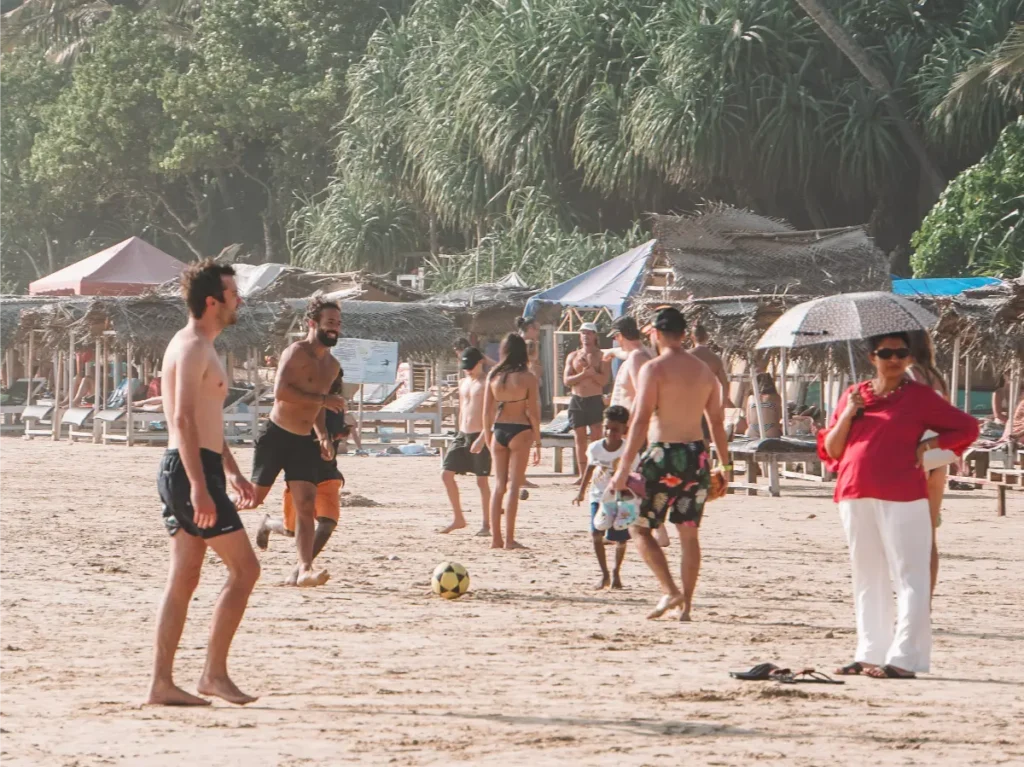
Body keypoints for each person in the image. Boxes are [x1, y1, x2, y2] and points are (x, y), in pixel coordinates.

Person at [821, 332, 978, 680]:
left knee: (911, 576)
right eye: (886, 353)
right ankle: (869, 652)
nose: (894, 359)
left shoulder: (920, 396)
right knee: (867, 576)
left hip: (904, 493)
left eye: (901, 353)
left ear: (909, 357)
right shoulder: (853, 395)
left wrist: (933, 444)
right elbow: (832, 449)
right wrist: (848, 413)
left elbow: (968, 427)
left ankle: (905, 657)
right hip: (854, 492)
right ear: (872, 356)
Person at [149, 260, 260, 707]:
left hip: (197, 467)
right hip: (189, 469)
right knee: (246, 569)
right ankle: (213, 674)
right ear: (212, 301)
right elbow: (182, 419)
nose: (239, 300)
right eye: (233, 293)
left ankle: (162, 683)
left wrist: (230, 471)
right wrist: (200, 485)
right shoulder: (192, 345)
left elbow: (207, 421)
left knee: (185, 576)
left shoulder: (201, 345)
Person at [611, 307, 730, 622]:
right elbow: (716, 422)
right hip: (696, 455)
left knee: (638, 527)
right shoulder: (704, 371)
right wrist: (726, 467)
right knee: (688, 533)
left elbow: (638, 421)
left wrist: (623, 469)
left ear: (656, 333)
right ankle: (686, 607)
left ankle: (669, 589)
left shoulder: (654, 369)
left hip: (664, 454)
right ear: (684, 334)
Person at [243, 297, 344, 588]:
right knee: (253, 499)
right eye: (329, 323)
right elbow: (281, 392)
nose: (335, 329)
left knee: (306, 503)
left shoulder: (333, 365)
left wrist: (323, 436)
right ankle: (211, 514)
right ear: (313, 324)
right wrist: (324, 399)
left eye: (337, 323)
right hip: (276, 435)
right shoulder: (296, 352)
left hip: (304, 441)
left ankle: (304, 569)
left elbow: (318, 410)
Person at [255, 369, 347, 568]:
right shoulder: (303, 406)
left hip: (328, 474)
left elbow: (336, 434)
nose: (337, 382)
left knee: (327, 523)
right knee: (293, 530)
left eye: (338, 378)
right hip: (302, 473)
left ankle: (302, 568)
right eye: (332, 378)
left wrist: (336, 436)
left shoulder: (338, 407)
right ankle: (269, 523)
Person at [603, 315, 670, 548]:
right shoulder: (641, 354)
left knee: (634, 481)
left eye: (616, 338)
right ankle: (623, 527)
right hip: (631, 427)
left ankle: (653, 530)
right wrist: (611, 353)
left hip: (634, 428)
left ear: (620, 336)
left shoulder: (637, 359)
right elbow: (629, 354)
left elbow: (643, 394)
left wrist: (632, 427)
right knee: (634, 481)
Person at [478, 333, 541, 550]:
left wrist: (487, 436)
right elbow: (533, 412)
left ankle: (495, 538)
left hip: (499, 431)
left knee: (498, 486)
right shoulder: (527, 377)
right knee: (514, 486)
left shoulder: (494, 376)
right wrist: (539, 440)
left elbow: (486, 412)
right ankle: (509, 539)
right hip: (520, 429)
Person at [906, 331, 952, 602]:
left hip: (917, 451)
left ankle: (913, 597)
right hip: (940, 451)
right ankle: (927, 600)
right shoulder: (938, 377)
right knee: (930, 533)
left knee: (910, 530)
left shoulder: (910, 375)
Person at [573, 405, 636, 590]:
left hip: (622, 498)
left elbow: (636, 474)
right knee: (596, 534)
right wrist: (581, 491)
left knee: (621, 538)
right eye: (607, 428)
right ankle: (605, 574)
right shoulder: (595, 448)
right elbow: (590, 468)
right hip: (599, 496)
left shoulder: (629, 451)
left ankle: (616, 572)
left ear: (625, 429)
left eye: (615, 429)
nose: (610, 432)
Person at [440, 347, 492, 536]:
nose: (468, 370)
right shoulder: (463, 382)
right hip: (462, 433)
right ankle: (458, 518)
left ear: (480, 363)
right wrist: (457, 431)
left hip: (480, 433)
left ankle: (487, 524)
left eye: (471, 366)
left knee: (481, 481)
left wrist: (483, 437)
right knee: (446, 474)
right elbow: (462, 409)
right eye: (465, 367)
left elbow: (492, 413)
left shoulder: (487, 383)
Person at [563, 322, 609, 484]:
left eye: (589, 333)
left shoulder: (602, 356)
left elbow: (604, 380)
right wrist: (583, 374)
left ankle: (597, 472)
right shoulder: (573, 356)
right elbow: (567, 380)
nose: (585, 336)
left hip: (594, 399)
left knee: (597, 437)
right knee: (579, 438)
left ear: (595, 335)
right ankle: (582, 475)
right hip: (577, 399)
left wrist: (591, 373)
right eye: (583, 333)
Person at [517, 316, 543, 490]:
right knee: (528, 432)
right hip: (528, 387)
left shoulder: (514, 341)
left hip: (518, 389)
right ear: (530, 328)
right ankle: (521, 475)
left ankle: (518, 474)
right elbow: (532, 361)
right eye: (537, 329)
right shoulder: (528, 344)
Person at [690, 325, 732, 407]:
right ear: (707, 337)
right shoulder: (715, 359)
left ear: (692, 337)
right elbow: (724, 384)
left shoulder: (686, 356)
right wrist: (722, 405)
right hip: (708, 403)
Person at [745, 373, 784, 439]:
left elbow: (748, 421)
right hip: (770, 429)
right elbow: (778, 417)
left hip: (752, 429)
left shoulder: (751, 398)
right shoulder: (776, 397)